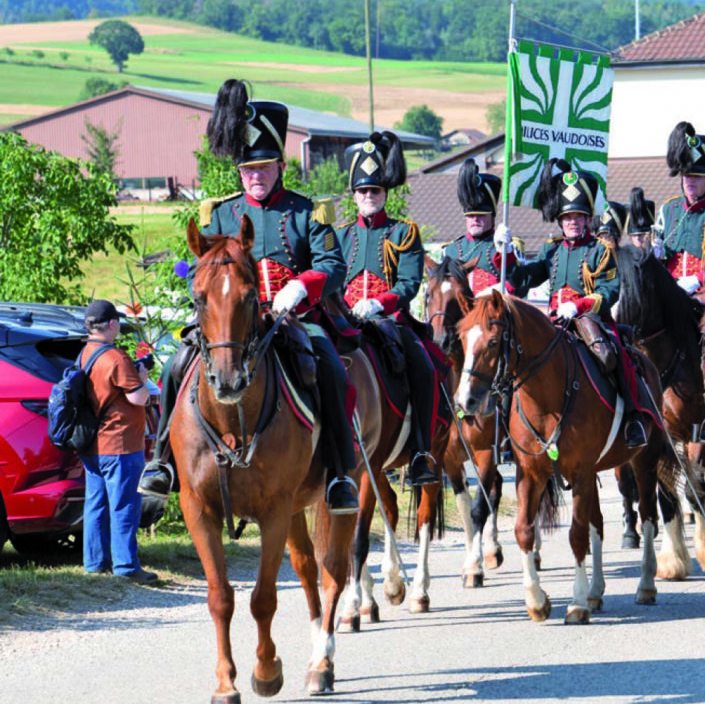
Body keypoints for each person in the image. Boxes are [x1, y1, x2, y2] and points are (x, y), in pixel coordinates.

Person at [140, 78, 359, 514]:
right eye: (247, 170)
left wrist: (301, 286)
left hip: (292, 318)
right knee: (174, 367)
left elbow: (335, 266)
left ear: (280, 165)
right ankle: (161, 462)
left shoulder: (306, 211)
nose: (254, 176)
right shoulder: (218, 213)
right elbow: (197, 271)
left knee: (332, 369)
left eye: (262, 167)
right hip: (228, 324)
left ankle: (338, 473)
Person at [501, 158, 648, 449]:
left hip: (589, 321)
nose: (572, 222)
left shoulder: (600, 250)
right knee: (513, 359)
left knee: (611, 354)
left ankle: (632, 418)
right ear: (560, 220)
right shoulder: (551, 249)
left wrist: (579, 307)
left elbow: (610, 290)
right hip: (554, 321)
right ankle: (507, 429)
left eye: (579, 216)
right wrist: (506, 253)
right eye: (568, 217)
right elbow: (523, 279)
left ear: (587, 219)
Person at [336, 130, 439, 486]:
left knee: (424, 370)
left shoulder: (404, 232)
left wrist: (380, 302)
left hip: (390, 322)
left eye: (375, 190)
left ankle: (422, 454)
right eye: (363, 191)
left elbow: (409, 284)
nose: (369, 196)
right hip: (346, 322)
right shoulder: (341, 234)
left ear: (385, 194)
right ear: (354, 195)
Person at [80, 300, 157, 584]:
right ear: (112, 324)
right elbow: (139, 397)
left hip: (92, 445)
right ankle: (126, 566)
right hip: (120, 445)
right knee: (124, 504)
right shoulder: (116, 358)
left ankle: (95, 563)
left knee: (96, 504)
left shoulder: (85, 353)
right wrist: (143, 376)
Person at [653, 121, 705, 296]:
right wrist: (654, 252)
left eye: (697, 177)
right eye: (687, 176)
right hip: (668, 289)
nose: (691, 181)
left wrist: (698, 279)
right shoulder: (667, 210)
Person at [441, 160, 525, 296]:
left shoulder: (507, 246)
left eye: (481, 215)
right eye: (471, 215)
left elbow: (521, 286)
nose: (475, 219)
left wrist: (498, 291)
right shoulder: (450, 251)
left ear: (492, 216)